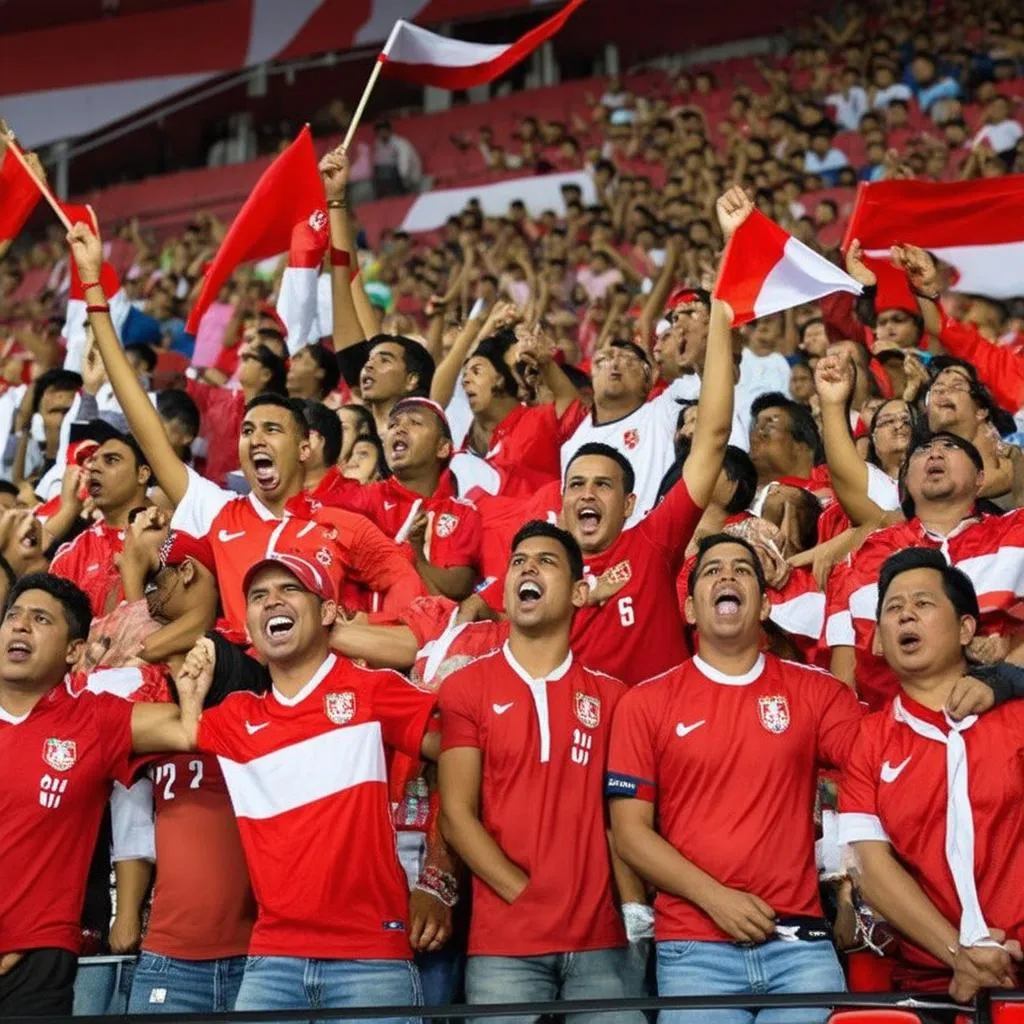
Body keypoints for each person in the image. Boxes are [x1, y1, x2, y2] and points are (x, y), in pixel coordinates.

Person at [68, 221, 425, 633]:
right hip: (241, 677)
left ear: (305, 448)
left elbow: (405, 584)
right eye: (248, 431)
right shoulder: (218, 510)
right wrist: (94, 287)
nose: (255, 437)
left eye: (272, 430)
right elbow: (144, 422)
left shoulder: (342, 524)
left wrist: (361, 626)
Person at [130, 550, 441, 1020]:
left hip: (371, 959)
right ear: (251, 628)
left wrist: (440, 880)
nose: (272, 601)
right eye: (258, 596)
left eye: (290, 589)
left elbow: (463, 749)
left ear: (328, 613)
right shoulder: (236, 718)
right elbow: (167, 731)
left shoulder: (372, 689)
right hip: (272, 963)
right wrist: (190, 696)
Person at [607, 534, 863, 1024]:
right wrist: (715, 900)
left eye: (742, 570)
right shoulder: (644, 703)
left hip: (801, 945)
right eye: (711, 570)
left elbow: (877, 767)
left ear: (765, 603)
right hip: (693, 949)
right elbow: (630, 834)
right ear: (689, 610)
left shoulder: (817, 693)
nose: (726, 576)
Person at [439, 522, 646, 1024]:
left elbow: (622, 819)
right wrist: (520, 893)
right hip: (504, 944)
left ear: (580, 592)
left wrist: (635, 909)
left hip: (603, 941)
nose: (527, 568)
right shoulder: (465, 688)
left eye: (546, 561)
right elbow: (456, 814)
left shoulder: (615, 698)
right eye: (518, 562)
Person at [839, 548, 1024, 1004]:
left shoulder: (1017, 717)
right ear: (879, 640)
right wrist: (958, 954)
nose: (905, 616)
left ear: (965, 629)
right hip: (931, 985)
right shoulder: (867, 740)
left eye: (923, 604)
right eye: (893, 609)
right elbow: (872, 868)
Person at [0, 574, 136, 1017]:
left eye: (40, 619)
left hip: (35, 966)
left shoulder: (94, 722)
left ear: (74, 651)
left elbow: (189, 728)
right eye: (13, 616)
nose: (20, 627)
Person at [827, 432, 1024, 709]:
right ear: (906, 482)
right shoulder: (863, 556)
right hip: (895, 739)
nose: (935, 453)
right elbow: (844, 677)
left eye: (950, 446)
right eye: (922, 450)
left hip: (1008, 726)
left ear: (981, 479)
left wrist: (1009, 661)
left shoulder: (1018, 533)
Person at [317, 397, 483, 601]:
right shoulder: (361, 498)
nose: (399, 429)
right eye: (393, 424)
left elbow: (458, 588)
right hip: (359, 625)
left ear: (442, 448)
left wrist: (416, 553)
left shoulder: (461, 512)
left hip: (422, 629)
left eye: (414, 422)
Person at [50, 432, 153, 617]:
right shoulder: (70, 558)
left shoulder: (173, 535)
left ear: (143, 474)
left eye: (111, 460)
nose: (94, 468)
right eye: (93, 461)